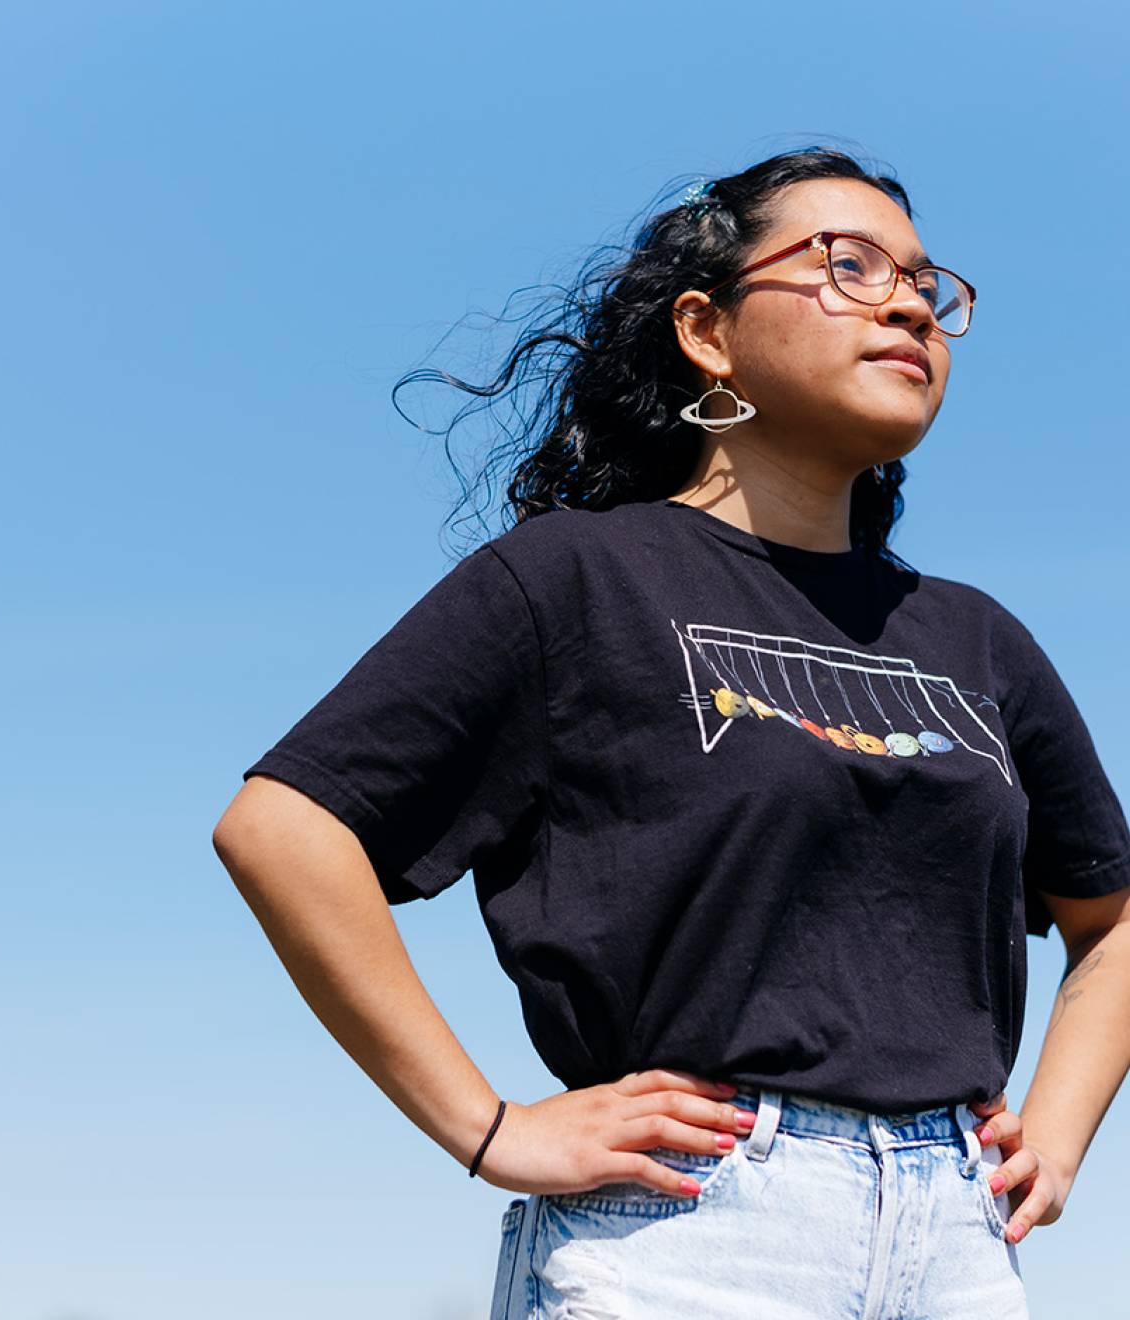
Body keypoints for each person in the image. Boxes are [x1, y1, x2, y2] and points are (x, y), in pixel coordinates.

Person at [211, 146, 1130, 1319]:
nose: (909, 302)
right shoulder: (576, 581)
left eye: (927, 284)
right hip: (691, 1239)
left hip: (960, 1247)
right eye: (848, 265)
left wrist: (1053, 1137)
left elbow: (1112, 915)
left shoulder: (978, 637)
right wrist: (487, 1128)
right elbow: (283, 826)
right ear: (708, 332)